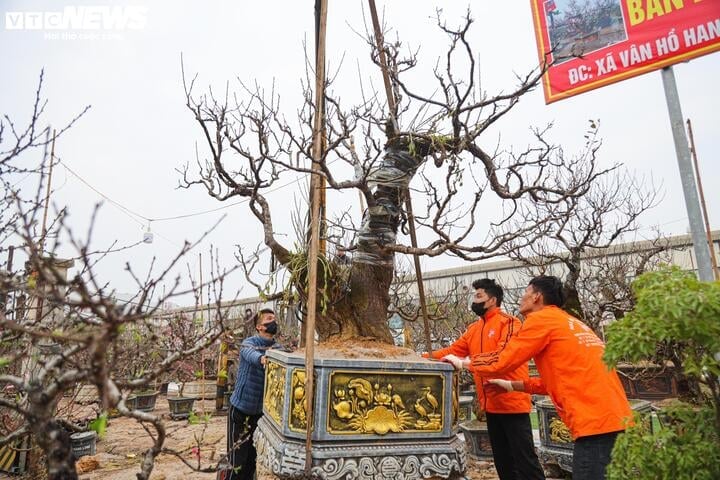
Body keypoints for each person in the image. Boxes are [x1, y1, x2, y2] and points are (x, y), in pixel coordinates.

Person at [443, 276, 632, 480]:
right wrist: (513, 385)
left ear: (537, 297)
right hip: (616, 419)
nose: (521, 297)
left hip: (595, 424)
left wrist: (463, 363)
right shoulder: (571, 322)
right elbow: (560, 379)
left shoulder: (540, 320)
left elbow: (504, 360)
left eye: (525, 292)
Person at [426, 279, 545, 480]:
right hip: (489, 405)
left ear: (492, 300)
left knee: (525, 461)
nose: (474, 300)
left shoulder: (510, 323)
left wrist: (466, 362)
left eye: (479, 296)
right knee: (503, 462)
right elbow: (452, 351)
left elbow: (503, 355)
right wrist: (421, 356)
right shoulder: (474, 329)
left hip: (512, 403)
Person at [226, 308, 279, 480]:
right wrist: (263, 359)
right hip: (240, 411)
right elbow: (250, 355)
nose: (273, 322)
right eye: (269, 319)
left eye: (274, 319)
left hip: (259, 414)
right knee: (236, 462)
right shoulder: (249, 343)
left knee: (252, 460)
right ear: (259, 326)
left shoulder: (277, 348)